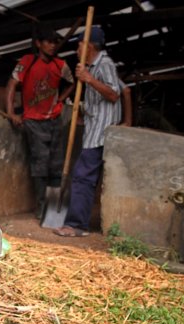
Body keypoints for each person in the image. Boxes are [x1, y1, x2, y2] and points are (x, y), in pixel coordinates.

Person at [54, 26, 122, 237]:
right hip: (93, 128)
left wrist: (88, 79)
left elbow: (114, 94)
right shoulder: (93, 66)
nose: (77, 47)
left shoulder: (105, 64)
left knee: (83, 176)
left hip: (100, 132)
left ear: (90, 46)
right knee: (85, 176)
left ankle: (76, 225)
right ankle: (77, 221)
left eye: (80, 43)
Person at [6, 24, 75, 219]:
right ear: (39, 43)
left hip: (55, 120)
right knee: (40, 164)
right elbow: (12, 84)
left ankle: (54, 211)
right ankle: (41, 208)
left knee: (57, 164)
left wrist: (60, 100)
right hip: (33, 122)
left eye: (55, 42)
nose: (53, 46)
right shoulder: (27, 62)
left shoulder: (60, 65)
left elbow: (72, 83)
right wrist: (12, 112)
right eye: (49, 42)